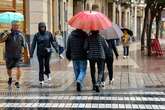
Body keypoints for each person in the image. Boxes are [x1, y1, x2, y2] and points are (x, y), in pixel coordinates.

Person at [0, 20, 29, 88]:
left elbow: (25, 44)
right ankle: (10, 77)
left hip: (18, 55)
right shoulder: (8, 34)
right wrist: (4, 34)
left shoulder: (21, 34)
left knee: (19, 67)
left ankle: (17, 81)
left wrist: (27, 53)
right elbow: (1, 41)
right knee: (9, 69)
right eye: (15, 25)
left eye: (17, 25)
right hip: (9, 55)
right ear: (12, 26)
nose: (17, 27)